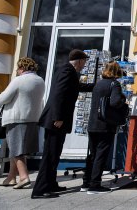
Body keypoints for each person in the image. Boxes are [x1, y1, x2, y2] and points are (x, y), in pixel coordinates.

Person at [31, 49, 95, 199]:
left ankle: (51, 183)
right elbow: (59, 94)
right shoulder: (67, 71)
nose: (85, 65)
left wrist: (96, 86)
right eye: (85, 61)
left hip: (57, 120)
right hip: (56, 120)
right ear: (80, 61)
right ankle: (40, 190)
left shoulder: (67, 70)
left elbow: (76, 88)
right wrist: (58, 117)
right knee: (50, 155)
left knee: (55, 154)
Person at [0, 57, 45, 189]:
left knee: (16, 150)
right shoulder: (40, 80)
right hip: (32, 119)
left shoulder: (19, 80)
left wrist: (0, 95)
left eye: (18, 68)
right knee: (17, 149)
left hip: (16, 118)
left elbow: (3, 98)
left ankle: (23, 177)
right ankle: (11, 177)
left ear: (22, 68)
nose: (17, 71)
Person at [81, 61, 126, 194]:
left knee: (93, 155)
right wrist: (123, 98)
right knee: (101, 154)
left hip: (92, 124)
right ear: (117, 71)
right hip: (105, 125)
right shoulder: (114, 84)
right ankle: (95, 184)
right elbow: (115, 102)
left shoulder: (98, 84)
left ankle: (86, 182)